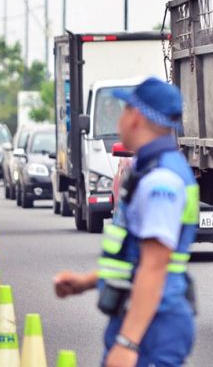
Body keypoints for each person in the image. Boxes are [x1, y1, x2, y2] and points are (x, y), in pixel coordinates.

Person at [53, 77, 198, 366]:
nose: (120, 118)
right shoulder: (151, 170)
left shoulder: (161, 181)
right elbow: (135, 259)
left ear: (136, 117)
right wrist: (86, 282)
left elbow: (154, 266)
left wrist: (127, 342)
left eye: (123, 109)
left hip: (153, 325)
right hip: (148, 319)